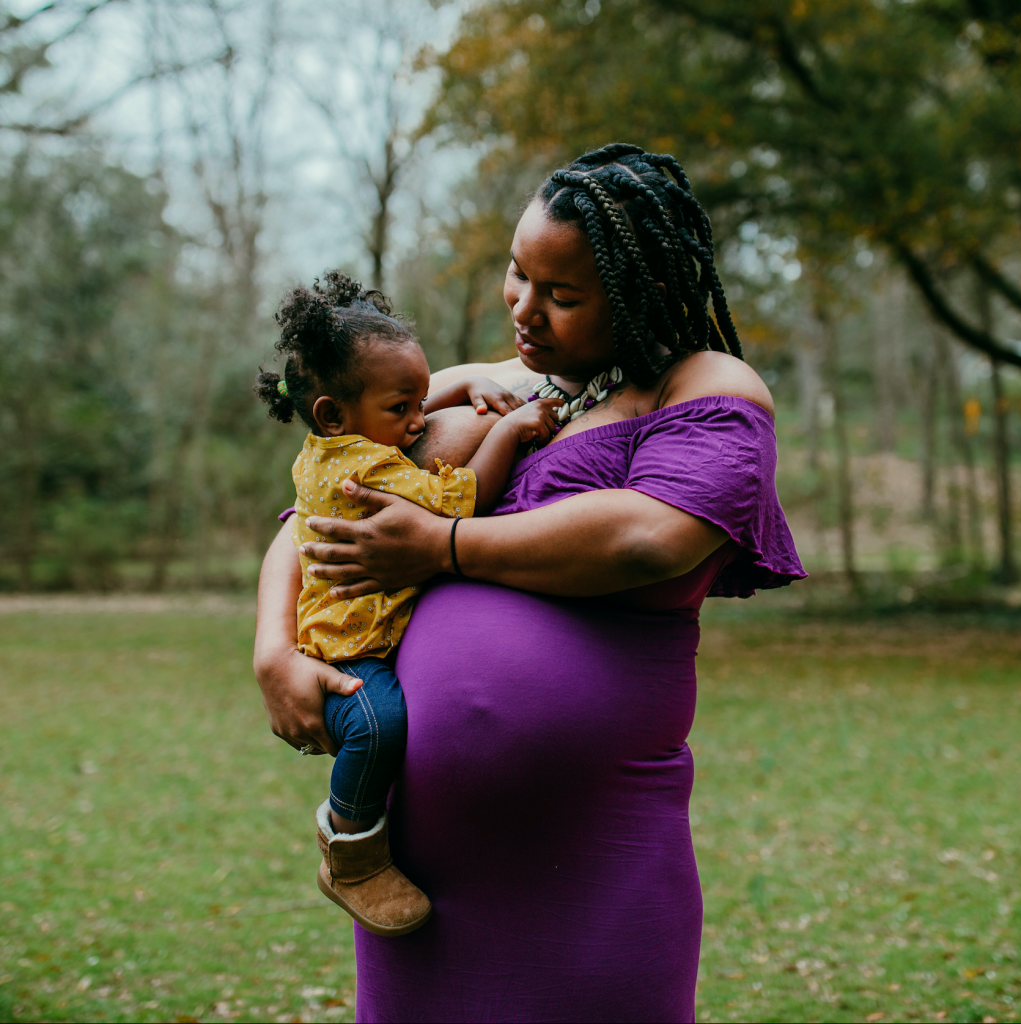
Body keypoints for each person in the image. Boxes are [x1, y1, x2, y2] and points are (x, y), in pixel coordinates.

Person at [255, 143, 806, 1023]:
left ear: (645, 293)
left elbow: (646, 538)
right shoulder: (486, 387)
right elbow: (322, 494)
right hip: (421, 872)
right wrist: (273, 652)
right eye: (518, 274)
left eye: (563, 295)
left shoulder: (702, 389)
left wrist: (444, 545)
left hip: (596, 852)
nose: (525, 308)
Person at [254, 271, 560, 937]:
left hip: (347, 631)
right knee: (376, 724)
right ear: (335, 412)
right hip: (348, 652)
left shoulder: (326, 445)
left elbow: (401, 396)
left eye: (424, 399)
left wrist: (466, 383)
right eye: (405, 409)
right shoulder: (368, 472)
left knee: (381, 720)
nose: (420, 421)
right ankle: (351, 848)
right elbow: (460, 502)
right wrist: (511, 430)